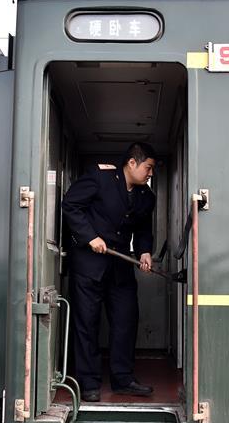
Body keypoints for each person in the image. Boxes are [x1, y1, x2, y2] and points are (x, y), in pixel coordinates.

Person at [61, 142, 157, 402]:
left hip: (121, 265)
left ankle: (123, 379)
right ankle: (89, 383)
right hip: (89, 265)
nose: (150, 174)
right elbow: (70, 205)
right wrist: (90, 236)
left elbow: (144, 227)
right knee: (87, 324)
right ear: (132, 163)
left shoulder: (146, 196)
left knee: (126, 320)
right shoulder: (100, 177)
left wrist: (145, 251)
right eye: (148, 168)